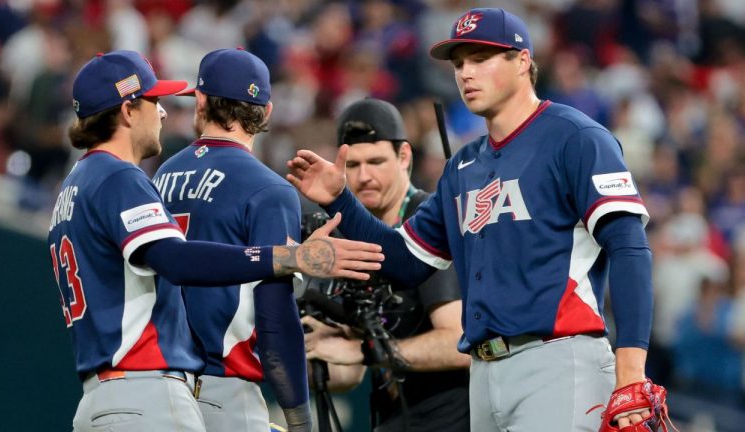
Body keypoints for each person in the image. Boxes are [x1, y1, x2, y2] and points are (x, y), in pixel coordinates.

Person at [287, 8, 661, 432]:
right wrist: (340, 199)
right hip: (483, 373)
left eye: (481, 59)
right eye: (459, 63)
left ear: (523, 62)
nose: (466, 73)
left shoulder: (576, 137)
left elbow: (629, 247)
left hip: (558, 358)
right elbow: (404, 260)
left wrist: (631, 371)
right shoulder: (463, 166)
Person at [47, 50, 384, 432]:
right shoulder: (124, 178)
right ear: (267, 111)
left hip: (106, 394)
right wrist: (290, 257)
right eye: (154, 101)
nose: (162, 112)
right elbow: (184, 264)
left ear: (201, 102)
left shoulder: (99, 181)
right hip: (172, 390)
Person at [152, 48, 313, 432]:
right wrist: (298, 416)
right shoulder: (270, 190)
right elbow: (275, 315)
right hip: (221, 388)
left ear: (201, 101)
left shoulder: (160, 176)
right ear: (266, 112)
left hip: (155, 385)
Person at [300, 98, 471, 432]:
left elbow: (458, 343)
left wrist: (363, 350)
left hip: (450, 419)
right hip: (391, 417)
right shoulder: (347, 236)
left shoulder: (425, 222)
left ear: (404, 156)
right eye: (353, 165)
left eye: (376, 161)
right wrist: (304, 352)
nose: (364, 176)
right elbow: (348, 374)